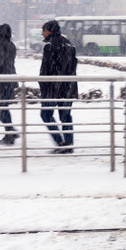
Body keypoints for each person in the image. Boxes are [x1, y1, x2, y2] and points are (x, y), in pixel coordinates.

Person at [39, 19, 78, 154]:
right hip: (68, 87)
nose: (42, 33)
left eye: (43, 30)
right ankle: (68, 143)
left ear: (50, 31)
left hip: (52, 88)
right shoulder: (70, 44)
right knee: (65, 115)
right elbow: (71, 67)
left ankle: (60, 142)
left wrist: (44, 85)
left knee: (45, 114)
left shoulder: (50, 46)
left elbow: (47, 69)